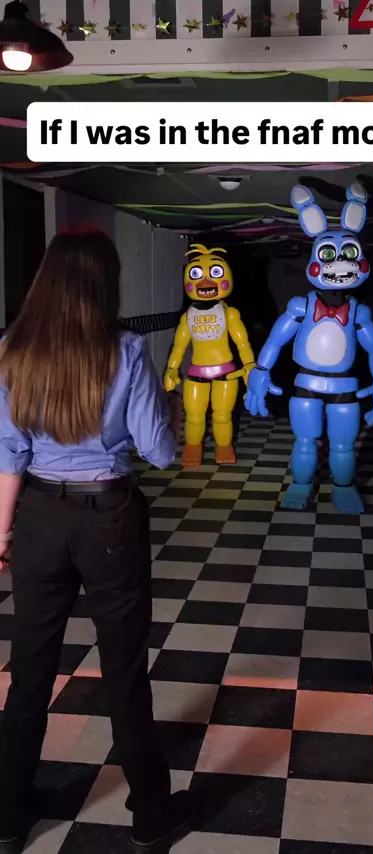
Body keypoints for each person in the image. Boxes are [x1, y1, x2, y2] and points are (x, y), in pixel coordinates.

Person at [0, 226, 196, 854]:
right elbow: (160, 453)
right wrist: (171, 409)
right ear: (105, 284)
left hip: (38, 517)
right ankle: (150, 816)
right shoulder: (126, 350)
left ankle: (7, 816)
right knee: (124, 671)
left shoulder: (13, 350)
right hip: (109, 515)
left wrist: (1, 531)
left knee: (29, 672)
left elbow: (9, 453)